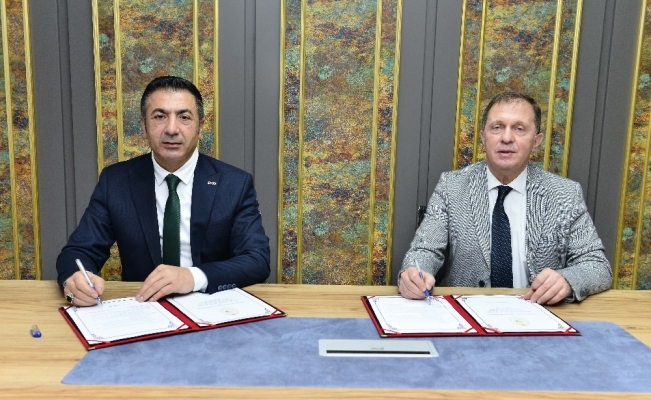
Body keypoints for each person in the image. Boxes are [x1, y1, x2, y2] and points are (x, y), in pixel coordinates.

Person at [57, 76, 270, 306]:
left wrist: (192, 277)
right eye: (159, 117)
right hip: (144, 308)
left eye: (184, 117)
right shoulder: (116, 181)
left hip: (213, 308)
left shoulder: (234, 184)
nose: (171, 129)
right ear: (144, 126)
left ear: (200, 127)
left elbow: (256, 259)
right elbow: (79, 250)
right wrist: (75, 280)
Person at [399, 91, 612, 305]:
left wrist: (567, 280)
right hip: (468, 312)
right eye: (497, 127)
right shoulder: (451, 187)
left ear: (536, 141)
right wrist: (414, 274)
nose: (507, 138)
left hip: (538, 312)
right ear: (483, 137)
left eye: (519, 129)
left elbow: (597, 265)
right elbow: (424, 250)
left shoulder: (565, 194)